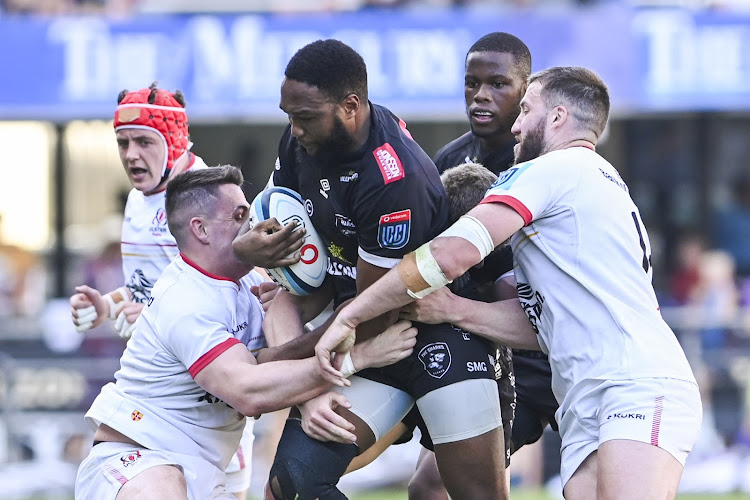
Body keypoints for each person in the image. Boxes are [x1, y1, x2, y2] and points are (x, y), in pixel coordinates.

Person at [316, 67, 703, 499]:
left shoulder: (550, 168)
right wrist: (453, 310)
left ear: (557, 118)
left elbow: (449, 255)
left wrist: (351, 314)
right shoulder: (595, 182)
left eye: (525, 109)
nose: (515, 124)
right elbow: (542, 326)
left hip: (633, 383)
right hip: (587, 394)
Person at [244, 39, 507, 500]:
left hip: (435, 336)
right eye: (288, 114)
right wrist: (306, 389)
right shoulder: (302, 138)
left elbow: (373, 312)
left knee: (461, 494)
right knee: (290, 487)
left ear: (350, 107)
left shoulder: (393, 180)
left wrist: (282, 364)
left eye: (304, 117)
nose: (294, 129)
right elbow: (292, 279)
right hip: (364, 345)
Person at [74, 165, 418, 500]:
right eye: (239, 216)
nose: (254, 224)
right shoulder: (185, 298)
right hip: (137, 456)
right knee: (163, 487)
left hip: (204, 471)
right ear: (201, 229)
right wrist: (358, 355)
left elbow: (268, 361)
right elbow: (247, 390)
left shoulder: (253, 283)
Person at [68, 83, 306, 500]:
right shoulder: (138, 203)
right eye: (122, 142)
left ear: (174, 141)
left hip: (214, 396)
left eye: (144, 141)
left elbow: (237, 291)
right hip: (169, 409)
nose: (130, 155)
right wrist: (109, 305)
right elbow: (149, 290)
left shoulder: (211, 206)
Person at [406, 32, 559, 499]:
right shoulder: (449, 160)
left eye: (497, 84)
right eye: (472, 83)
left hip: (550, 350)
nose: (481, 96)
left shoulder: (550, 160)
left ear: (526, 89)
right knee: (432, 485)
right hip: (477, 343)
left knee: (592, 483)